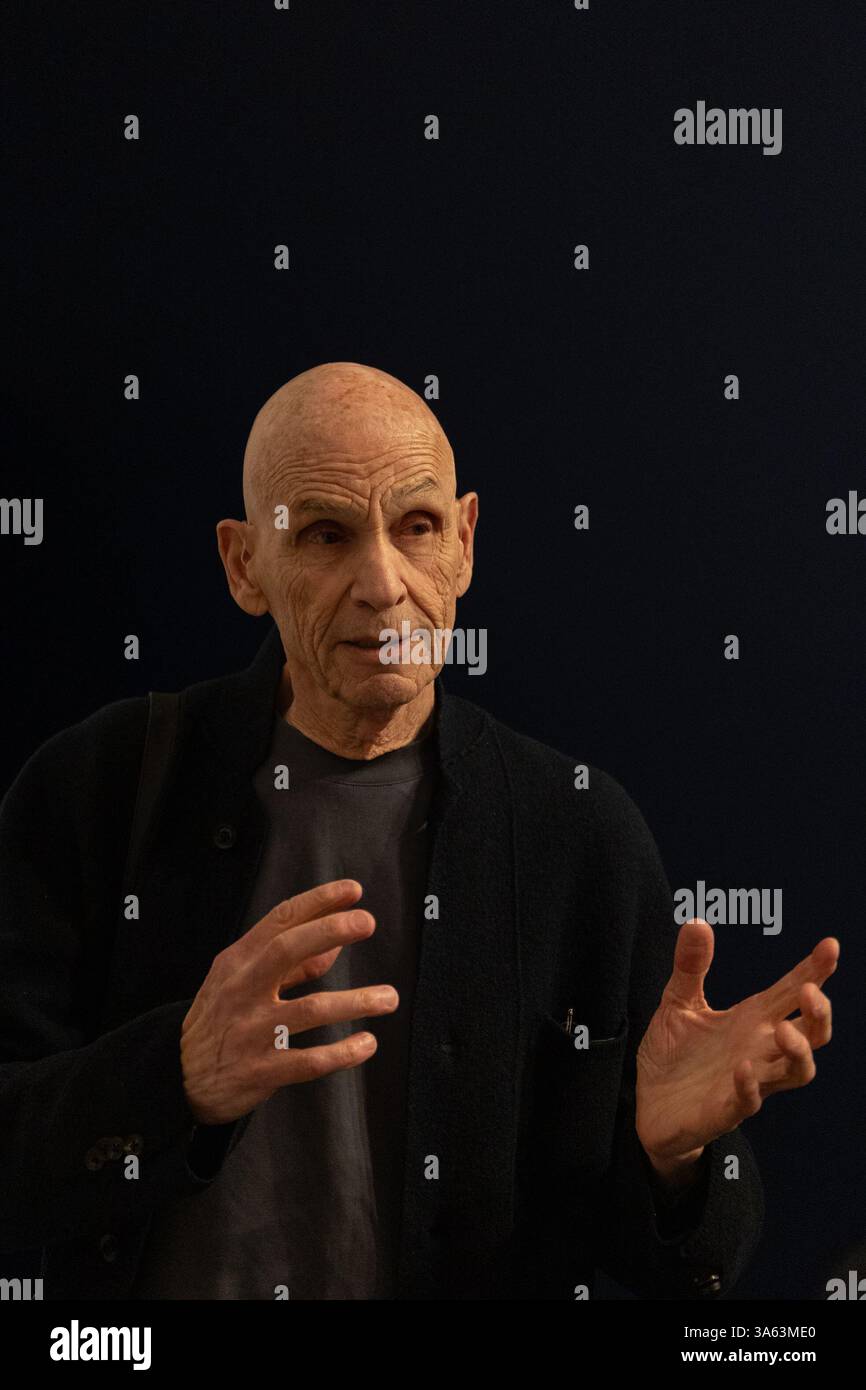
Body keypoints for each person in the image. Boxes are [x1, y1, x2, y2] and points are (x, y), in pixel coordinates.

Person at [0, 363, 838, 1299]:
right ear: (244, 566)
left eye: (418, 527)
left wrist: (674, 1154)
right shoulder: (102, 785)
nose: (382, 584)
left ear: (466, 543)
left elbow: (692, 1269)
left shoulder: (576, 827)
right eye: (325, 534)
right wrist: (178, 1075)